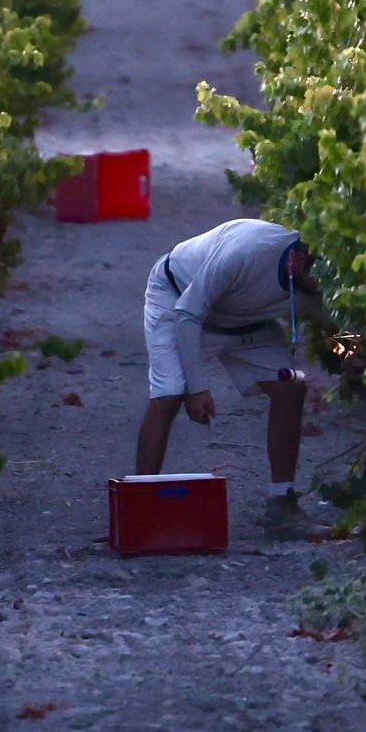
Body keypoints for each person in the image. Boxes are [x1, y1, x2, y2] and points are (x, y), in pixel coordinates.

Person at [135, 217, 329, 530]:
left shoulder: (318, 289)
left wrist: (355, 355)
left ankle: (282, 503)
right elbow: (188, 312)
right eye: (315, 274)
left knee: (291, 385)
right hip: (177, 298)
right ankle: (139, 506)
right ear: (298, 257)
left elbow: (335, 332)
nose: (319, 285)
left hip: (243, 321)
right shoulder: (247, 252)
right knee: (169, 392)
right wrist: (197, 388)